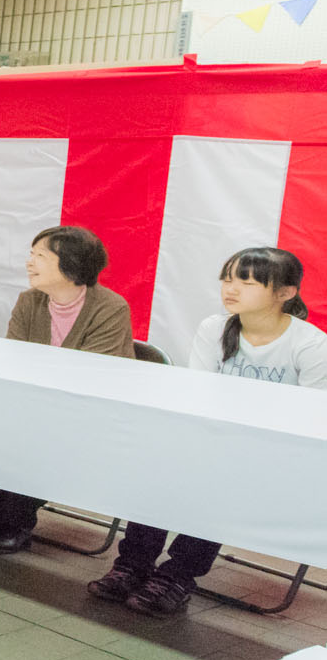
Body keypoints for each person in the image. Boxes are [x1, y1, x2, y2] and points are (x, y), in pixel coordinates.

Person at [90, 247, 325, 617]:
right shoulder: (214, 328)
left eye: (246, 282)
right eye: (227, 279)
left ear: (285, 293)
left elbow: (310, 418)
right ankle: (133, 565)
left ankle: (178, 575)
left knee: (219, 480)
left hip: (272, 453)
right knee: (159, 467)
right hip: (212, 439)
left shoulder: (310, 345)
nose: (230, 289)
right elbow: (198, 397)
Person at [0, 227, 133, 554]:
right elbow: (13, 357)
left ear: (71, 264)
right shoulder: (29, 300)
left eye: (40, 256)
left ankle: (15, 521)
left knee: (37, 434)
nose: (29, 263)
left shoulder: (111, 307)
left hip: (85, 412)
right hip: (31, 402)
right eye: (31, 254)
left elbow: (92, 374)